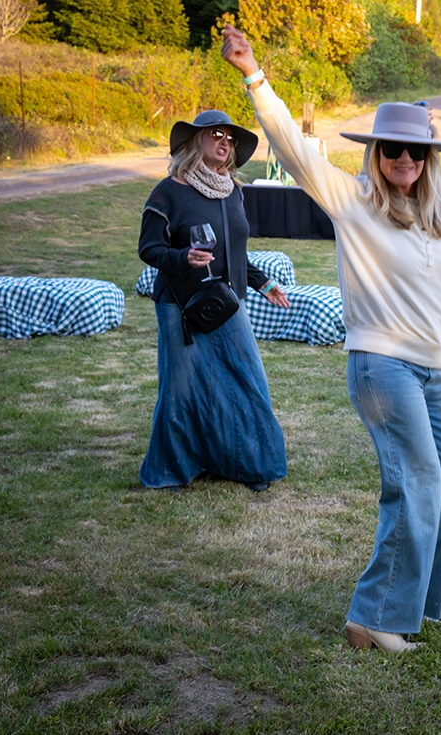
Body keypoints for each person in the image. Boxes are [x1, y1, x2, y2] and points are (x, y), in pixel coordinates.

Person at [221, 26, 441, 652]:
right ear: (376, 152)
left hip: (436, 370)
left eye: (414, 151)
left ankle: (417, 604)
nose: (403, 160)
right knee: (418, 482)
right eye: (391, 150)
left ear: (430, 155)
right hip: (381, 365)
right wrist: (254, 75)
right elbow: (293, 148)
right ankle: (375, 617)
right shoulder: (353, 200)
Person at [138, 110, 290, 493]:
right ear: (196, 141)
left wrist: (262, 281)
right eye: (216, 135)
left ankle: (248, 464)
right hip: (180, 305)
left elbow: (235, 251)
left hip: (227, 302)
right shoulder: (168, 192)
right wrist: (182, 258)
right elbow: (149, 248)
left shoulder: (232, 190)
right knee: (182, 388)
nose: (225, 143)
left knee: (247, 379)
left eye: (230, 138)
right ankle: (173, 470)